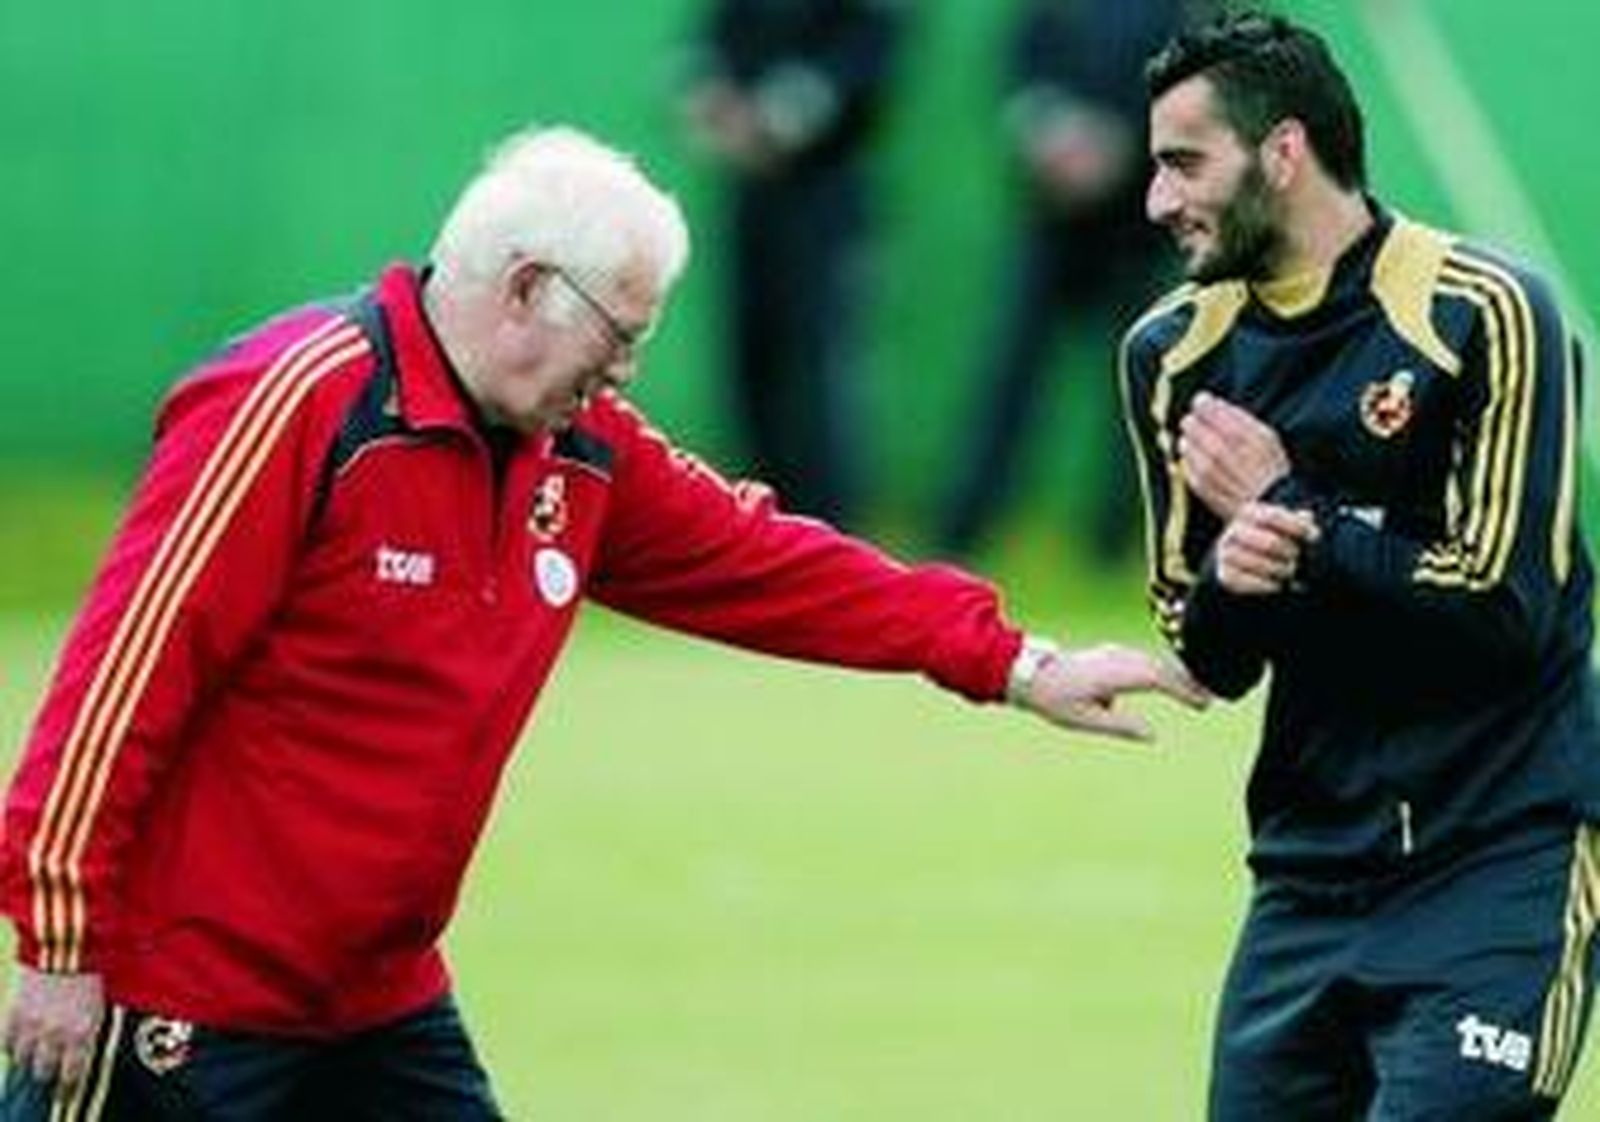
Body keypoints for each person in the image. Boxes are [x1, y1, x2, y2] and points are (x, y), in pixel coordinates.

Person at [0, 125, 1203, 1120]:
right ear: (525, 287)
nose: (624, 373)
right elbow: (124, 676)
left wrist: (1011, 660)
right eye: (619, 335)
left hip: (375, 1006)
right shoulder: (296, 403)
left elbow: (769, 563)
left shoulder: (577, 454)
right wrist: (59, 940)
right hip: (182, 1001)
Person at [1120, 12, 1600, 1119]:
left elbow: (1504, 608)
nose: (1156, 200)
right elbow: (1207, 656)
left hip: (1501, 856)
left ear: (1282, 151)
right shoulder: (1168, 354)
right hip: (1305, 875)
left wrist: (1294, 515)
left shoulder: (1486, 312)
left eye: (1184, 162)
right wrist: (1237, 573)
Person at [937, 0, 1194, 562]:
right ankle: (965, 528)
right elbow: (1021, 66)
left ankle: (1122, 540)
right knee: (1012, 378)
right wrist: (1048, 135)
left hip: (1138, 227)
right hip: (1052, 218)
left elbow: (1194, 86)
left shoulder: (1180, 12)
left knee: (1143, 382)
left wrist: (1119, 146)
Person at [678, 0, 905, 527]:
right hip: (751, 193)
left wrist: (777, 114)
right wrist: (711, 96)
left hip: (827, 193)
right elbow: (708, 46)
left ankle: (832, 530)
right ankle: (758, 524)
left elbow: (869, 57)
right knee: (750, 358)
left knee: (820, 366)